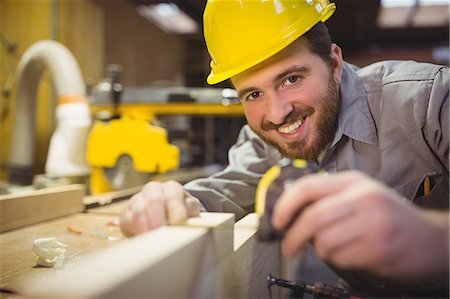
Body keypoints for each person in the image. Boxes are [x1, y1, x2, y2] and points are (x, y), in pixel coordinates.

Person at [120, 0, 449, 297]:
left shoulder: (430, 101)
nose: (277, 114)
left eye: (291, 79)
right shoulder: (264, 140)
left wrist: (432, 239)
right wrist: (170, 201)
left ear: (334, 64)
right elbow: (218, 194)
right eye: (253, 95)